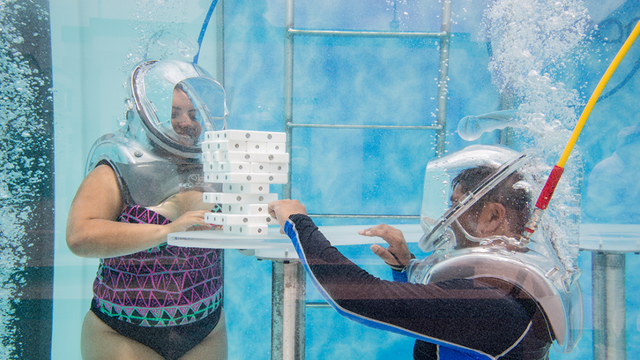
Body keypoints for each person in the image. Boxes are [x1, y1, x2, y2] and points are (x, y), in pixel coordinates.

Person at [269, 145, 582, 360]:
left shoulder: (490, 305)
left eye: (455, 205)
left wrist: (299, 224)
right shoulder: (508, 290)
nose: (446, 219)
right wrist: (406, 268)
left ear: (492, 217)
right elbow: (444, 319)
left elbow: (354, 298)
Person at [66, 59, 228, 360]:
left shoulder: (215, 171)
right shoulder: (117, 168)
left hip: (206, 329)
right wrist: (166, 232)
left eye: (194, 113)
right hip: (121, 331)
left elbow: (237, 239)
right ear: (147, 113)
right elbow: (79, 236)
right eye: (173, 113)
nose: (186, 122)